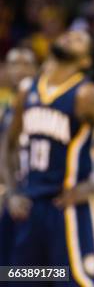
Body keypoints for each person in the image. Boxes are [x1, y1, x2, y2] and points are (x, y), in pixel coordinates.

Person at [1, 30, 94, 286]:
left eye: (81, 40)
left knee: (75, 280)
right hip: (30, 207)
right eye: (69, 35)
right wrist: (13, 191)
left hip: (68, 209)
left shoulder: (88, 96)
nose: (71, 37)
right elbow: (8, 144)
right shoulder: (29, 91)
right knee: (18, 279)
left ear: (85, 61)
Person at [0, 47, 37, 265]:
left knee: (50, 269)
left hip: (41, 196)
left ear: (36, 68)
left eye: (26, 63)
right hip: (14, 195)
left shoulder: (47, 103)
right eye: (14, 64)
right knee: (7, 269)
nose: (20, 70)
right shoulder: (8, 109)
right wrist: (8, 191)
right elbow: (6, 153)